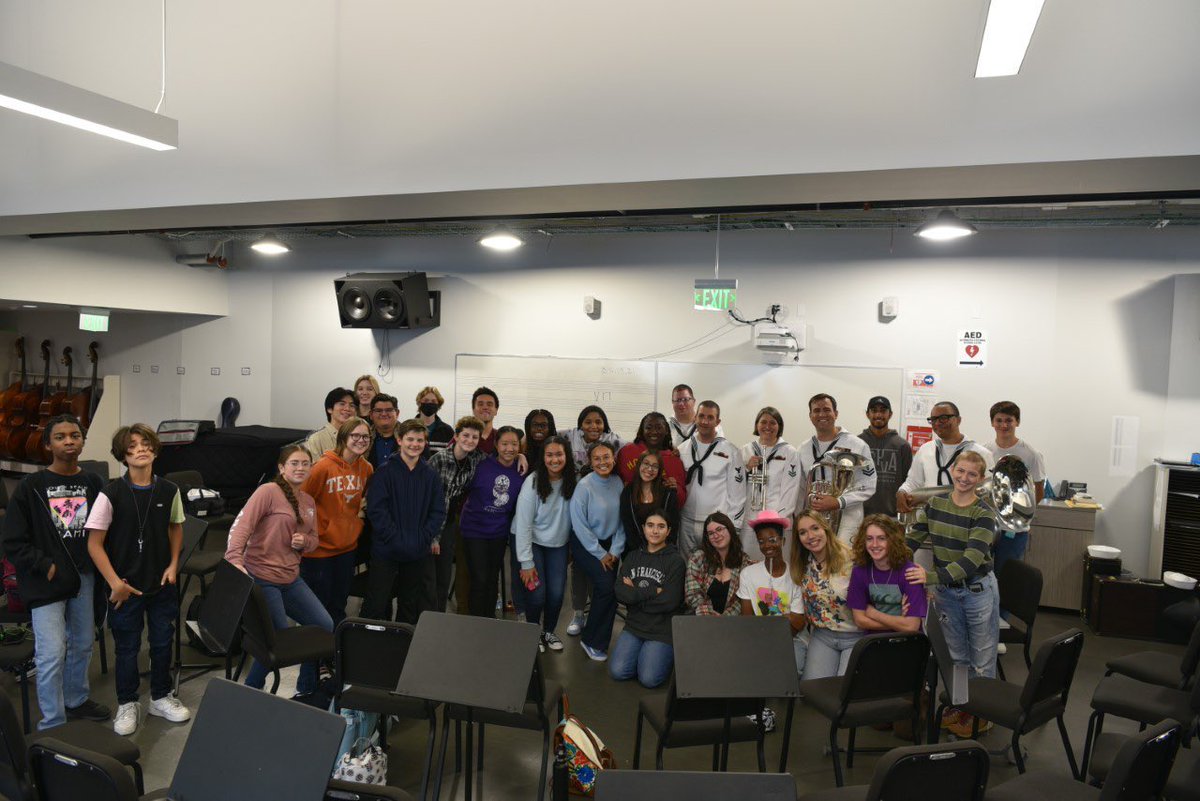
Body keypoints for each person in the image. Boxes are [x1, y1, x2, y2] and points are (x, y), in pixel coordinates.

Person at [2, 414, 110, 730]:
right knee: (51, 653)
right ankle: (53, 721)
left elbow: (104, 530)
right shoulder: (30, 487)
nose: (68, 441)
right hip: (46, 581)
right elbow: (12, 541)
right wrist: (44, 565)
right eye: (60, 436)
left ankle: (76, 699)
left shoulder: (93, 483)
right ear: (48, 444)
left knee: (83, 644)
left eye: (74, 435)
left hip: (84, 578)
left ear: (82, 441)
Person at [87, 424, 189, 734]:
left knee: (161, 643)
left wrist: (173, 564)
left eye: (146, 444)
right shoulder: (111, 492)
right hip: (125, 587)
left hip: (161, 584)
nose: (140, 449)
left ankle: (160, 696)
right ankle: (128, 702)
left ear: (155, 449)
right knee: (127, 648)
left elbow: (176, 527)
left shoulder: (170, 491)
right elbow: (93, 543)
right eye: (132, 446)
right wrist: (114, 582)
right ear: (123, 454)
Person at [223, 444, 331, 699]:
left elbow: (314, 538)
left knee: (324, 625)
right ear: (282, 468)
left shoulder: (308, 501)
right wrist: (234, 560)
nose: (300, 468)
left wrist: (304, 542)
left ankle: (306, 688)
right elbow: (242, 526)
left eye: (305, 463)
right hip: (262, 577)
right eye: (294, 463)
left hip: (291, 578)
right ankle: (251, 691)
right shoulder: (269, 491)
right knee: (277, 641)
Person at [905, 450, 999, 737]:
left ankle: (982, 715)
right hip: (947, 592)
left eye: (972, 474)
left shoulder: (983, 514)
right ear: (952, 471)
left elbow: (970, 562)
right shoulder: (935, 504)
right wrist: (894, 559)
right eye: (961, 471)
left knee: (981, 658)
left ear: (981, 479)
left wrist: (929, 577)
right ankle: (961, 706)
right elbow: (913, 537)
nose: (964, 478)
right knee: (957, 656)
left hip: (977, 590)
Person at [363, 420, 446, 624]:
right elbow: (377, 511)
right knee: (377, 603)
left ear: (425, 443)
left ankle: (402, 646)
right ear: (399, 440)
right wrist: (394, 538)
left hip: (417, 551)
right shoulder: (383, 473)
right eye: (410, 439)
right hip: (386, 550)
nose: (414, 444)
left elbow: (437, 511)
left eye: (419, 440)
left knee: (409, 604)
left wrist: (423, 537)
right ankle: (371, 647)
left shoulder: (430, 476)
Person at [300, 416, 373, 628]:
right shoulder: (322, 467)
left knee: (339, 604)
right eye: (355, 435)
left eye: (365, 437)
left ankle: (334, 655)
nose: (361, 440)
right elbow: (302, 503)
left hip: (347, 548)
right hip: (319, 551)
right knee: (317, 608)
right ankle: (314, 658)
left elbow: (360, 504)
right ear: (344, 437)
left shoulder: (366, 469)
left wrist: (355, 524)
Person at [513, 435, 576, 652]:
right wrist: (526, 562)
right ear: (543, 457)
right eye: (549, 455)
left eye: (559, 454)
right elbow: (523, 524)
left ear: (567, 456)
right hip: (532, 542)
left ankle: (548, 631)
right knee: (537, 593)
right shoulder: (533, 481)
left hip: (557, 544)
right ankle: (533, 631)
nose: (554, 459)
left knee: (557, 593)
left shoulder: (573, 481)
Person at [610, 511, 684, 688]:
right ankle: (644, 656)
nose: (655, 531)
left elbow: (670, 601)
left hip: (661, 630)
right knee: (618, 672)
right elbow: (620, 592)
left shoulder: (676, 561)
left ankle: (660, 656)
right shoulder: (633, 557)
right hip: (634, 626)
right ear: (643, 529)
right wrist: (652, 591)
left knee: (649, 679)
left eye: (661, 526)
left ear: (668, 531)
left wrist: (634, 594)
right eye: (650, 525)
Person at [460, 426, 526, 617]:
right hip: (474, 530)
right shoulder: (481, 464)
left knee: (491, 579)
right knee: (479, 579)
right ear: (496, 445)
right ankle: (476, 621)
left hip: (498, 532)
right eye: (504, 443)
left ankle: (488, 619)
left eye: (514, 444)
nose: (509, 448)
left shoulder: (521, 470)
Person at [569, 441, 625, 661]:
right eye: (597, 459)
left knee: (610, 591)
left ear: (614, 459)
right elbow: (578, 524)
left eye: (606, 457)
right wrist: (600, 553)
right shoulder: (584, 486)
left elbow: (622, 522)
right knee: (606, 586)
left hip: (611, 543)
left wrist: (615, 551)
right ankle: (590, 640)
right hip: (585, 543)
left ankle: (597, 639)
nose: (603, 462)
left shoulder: (618, 482)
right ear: (590, 462)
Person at [797, 394, 877, 544]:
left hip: (847, 521)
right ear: (810, 416)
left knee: (843, 565)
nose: (821, 414)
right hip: (814, 521)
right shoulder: (803, 449)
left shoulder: (857, 445)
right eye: (816, 410)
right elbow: (801, 489)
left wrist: (839, 502)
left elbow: (868, 485)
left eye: (827, 409)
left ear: (836, 413)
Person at [792, 511, 861, 680]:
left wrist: (917, 574)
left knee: (843, 692)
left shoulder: (853, 558)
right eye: (803, 532)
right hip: (823, 635)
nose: (810, 536)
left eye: (815, 528)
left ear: (826, 528)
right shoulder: (803, 563)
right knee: (812, 690)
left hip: (855, 636)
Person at [427, 416, 486, 613]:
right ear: (456, 436)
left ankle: (438, 616)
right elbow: (427, 499)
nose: (470, 440)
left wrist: (520, 456)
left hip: (451, 522)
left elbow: (499, 460)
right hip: (431, 522)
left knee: (444, 575)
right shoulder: (439, 459)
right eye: (466, 435)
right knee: (428, 576)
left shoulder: (476, 458)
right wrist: (432, 536)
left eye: (475, 437)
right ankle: (424, 618)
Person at [737, 509, 807, 676]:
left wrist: (786, 621)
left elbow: (798, 624)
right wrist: (786, 616)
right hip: (758, 638)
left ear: (782, 541)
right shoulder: (748, 574)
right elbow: (748, 620)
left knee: (790, 671)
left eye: (772, 539)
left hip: (792, 640)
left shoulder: (796, 575)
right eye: (761, 541)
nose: (767, 545)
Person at [896, 401, 994, 514]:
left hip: (966, 520)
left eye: (943, 418)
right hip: (930, 520)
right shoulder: (925, 449)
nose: (937, 423)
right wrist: (902, 492)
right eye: (933, 419)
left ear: (958, 420)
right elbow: (913, 481)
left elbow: (988, 492)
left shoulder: (981, 453)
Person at [984, 400, 1046, 576]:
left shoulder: (1030, 454)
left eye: (1009, 420)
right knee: (983, 576)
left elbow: (1038, 490)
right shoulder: (984, 451)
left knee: (1007, 578)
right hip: (986, 526)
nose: (1004, 425)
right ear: (992, 423)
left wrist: (1018, 514)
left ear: (1017, 422)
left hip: (1013, 531)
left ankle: (1003, 606)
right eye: (999, 420)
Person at [678, 400, 746, 557]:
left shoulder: (731, 451)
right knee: (688, 569)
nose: (704, 421)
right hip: (686, 522)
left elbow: (738, 494)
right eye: (701, 416)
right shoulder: (683, 449)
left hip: (715, 525)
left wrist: (733, 526)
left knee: (713, 569)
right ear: (695, 417)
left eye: (710, 417)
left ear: (718, 421)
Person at [740, 406, 802, 560]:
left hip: (778, 521)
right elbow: (735, 486)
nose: (768, 426)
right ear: (756, 425)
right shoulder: (745, 450)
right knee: (749, 563)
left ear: (779, 426)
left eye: (773, 423)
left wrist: (777, 521)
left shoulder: (789, 452)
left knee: (779, 565)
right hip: (750, 518)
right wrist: (747, 469)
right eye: (763, 422)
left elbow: (791, 488)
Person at [847, 514, 926, 634]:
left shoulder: (910, 572)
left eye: (881, 538)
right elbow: (860, 620)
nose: (874, 545)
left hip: (907, 641)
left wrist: (874, 613)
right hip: (873, 641)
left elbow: (912, 626)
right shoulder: (859, 571)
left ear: (892, 540)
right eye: (869, 539)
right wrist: (899, 621)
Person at [685, 511, 753, 616]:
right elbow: (692, 594)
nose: (716, 535)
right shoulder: (698, 558)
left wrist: (723, 620)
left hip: (732, 623)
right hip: (702, 620)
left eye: (719, 529)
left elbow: (742, 600)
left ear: (730, 530)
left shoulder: (744, 561)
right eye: (711, 533)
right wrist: (710, 615)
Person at [616, 411, 687, 506]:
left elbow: (681, 501)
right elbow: (614, 481)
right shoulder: (626, 452)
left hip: (659, 516)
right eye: (649, 428)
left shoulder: (674, 460)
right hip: (628, 512)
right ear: (642, 430)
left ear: (666, 430)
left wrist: (675, 489)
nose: (654, 432)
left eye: (658, 427)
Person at [858, 396, 913, 518]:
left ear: (890, 414)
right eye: (874, 410)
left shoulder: (902, 446)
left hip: (892, 516)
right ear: (868, 414)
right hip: (861, 515)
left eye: (883, 410)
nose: (878, 414)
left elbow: (908, 482)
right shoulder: (857, 443)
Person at [619, 450, 680, 554]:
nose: (650, 469)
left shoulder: (668, 493)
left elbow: (673, 526)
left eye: (655, 466)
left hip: (662, 552)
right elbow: (628, 525)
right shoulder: (628, 492)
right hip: (635, 551)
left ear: (659, 470)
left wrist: (660, 550)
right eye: (646, 463)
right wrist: (642, 551)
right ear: (639, 465)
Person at [559, 405, 626, 474]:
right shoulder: (571, 435)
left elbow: (632, 448)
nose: (594, 426)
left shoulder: (612, 440)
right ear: (581, 425)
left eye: (598, 422)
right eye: (588, 422)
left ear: (604, 425)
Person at [306, 387, 356, 461]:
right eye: (342, 404)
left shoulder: (358, 437)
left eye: (352, 405)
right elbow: (313, 471)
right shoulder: (316, 439)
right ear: (329, 409)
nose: (347, 409)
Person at [415, 386, 454, 457]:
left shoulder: (447, 431)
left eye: (433, 401)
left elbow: (451, 457)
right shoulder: (408, 428)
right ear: (419, 403)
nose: (429, 403)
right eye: (426, 400)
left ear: (438, 405)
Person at [366, 393, 401, 468]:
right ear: (371, 415)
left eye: (389, 410)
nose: (384, 414)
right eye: (378, 410)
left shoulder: (408, 435)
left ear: (397, 413)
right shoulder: (363, 437)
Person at [470, 386, 501, 454]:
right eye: (480, 404)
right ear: (473, 410)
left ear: (496, 410)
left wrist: (519, 456)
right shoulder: (464, 436)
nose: (485, 407)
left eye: (489, 404)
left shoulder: (501, 437)